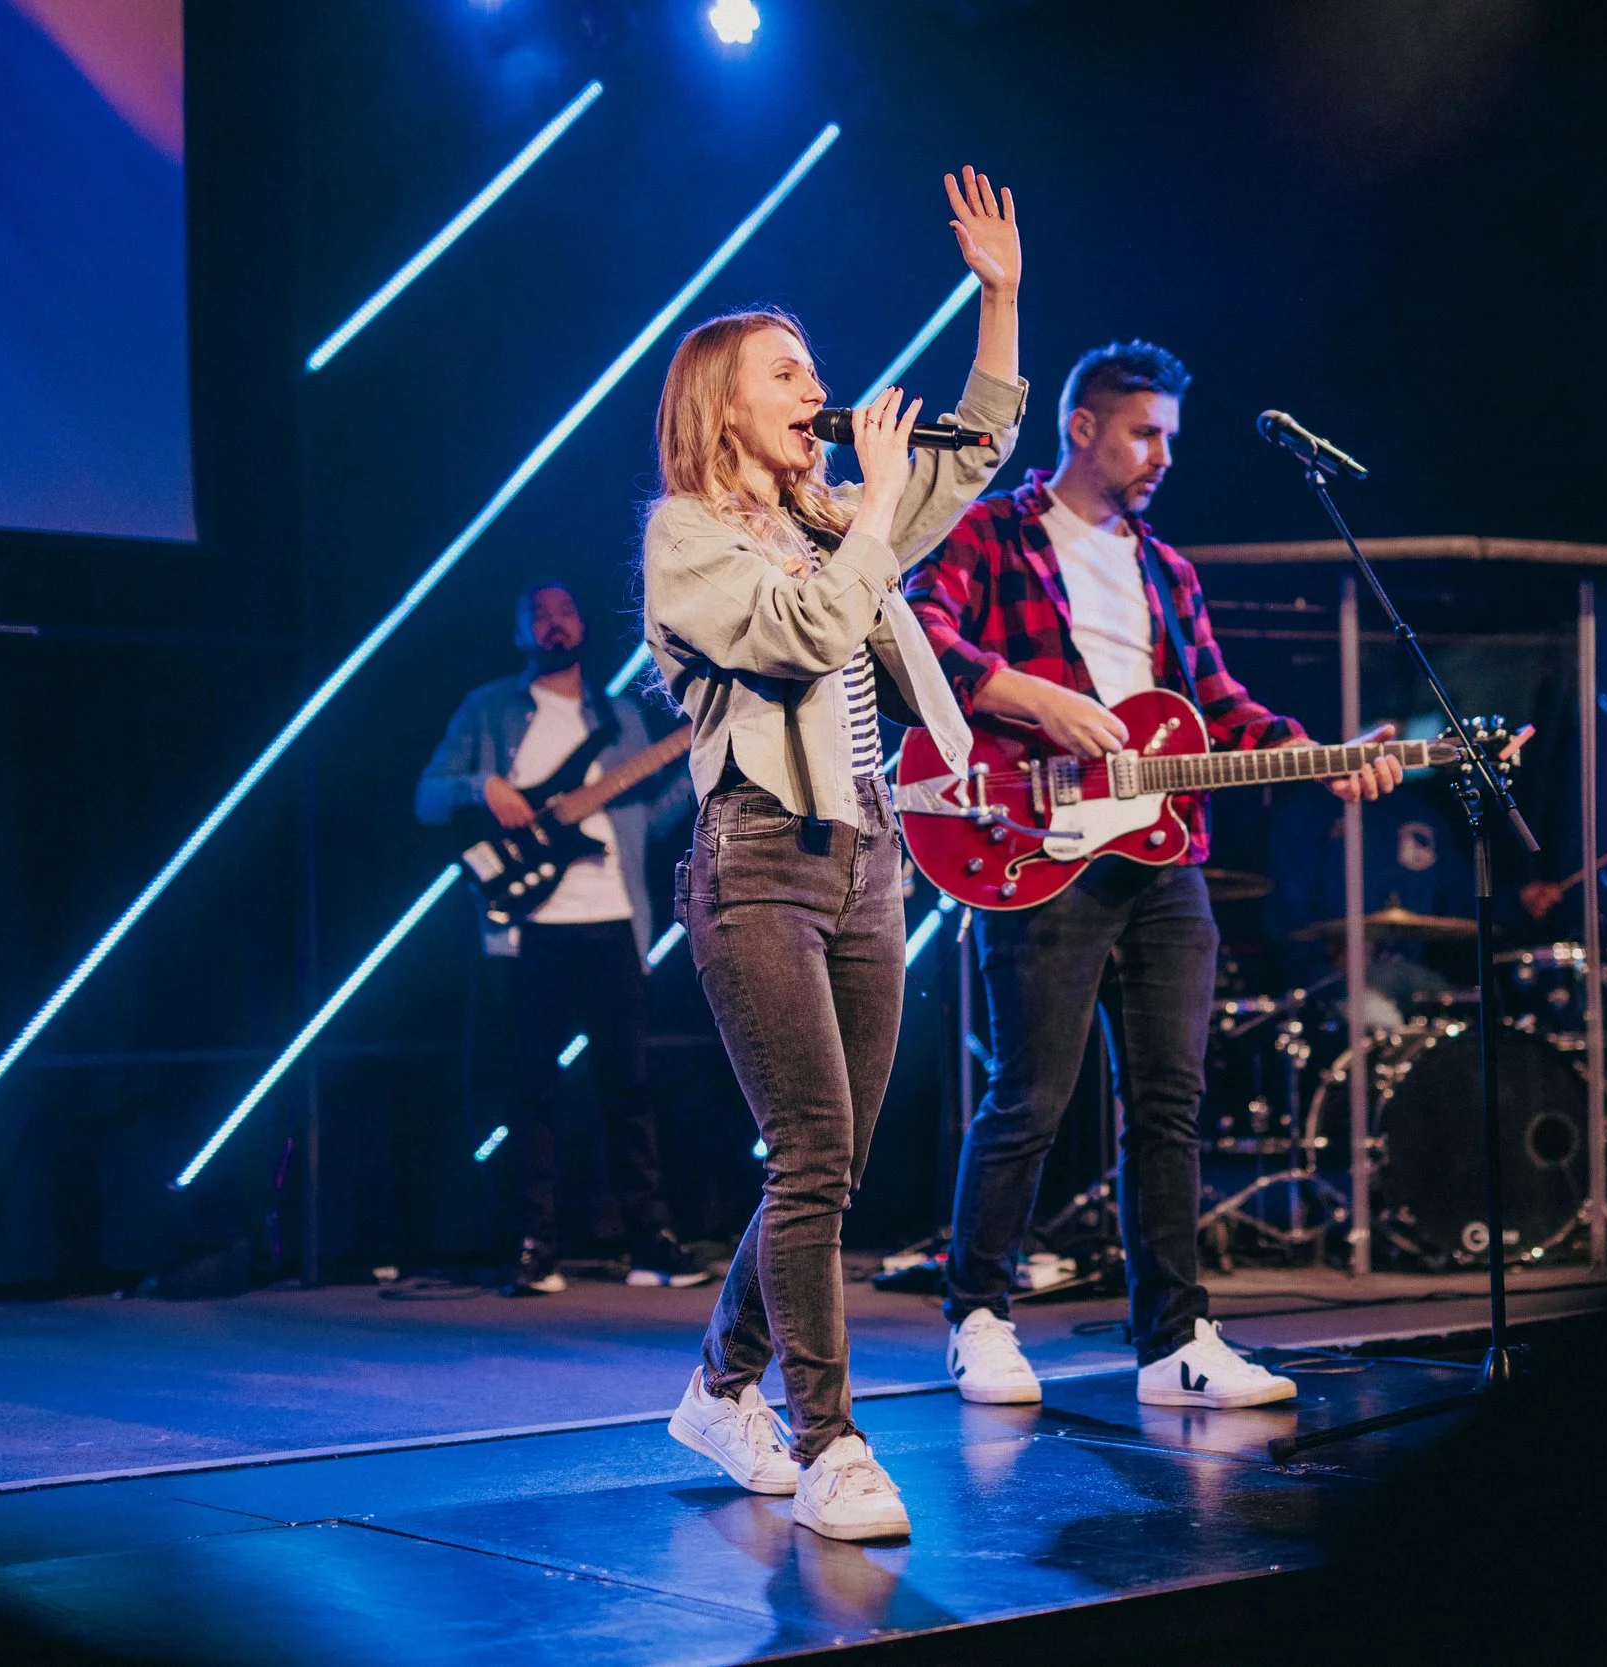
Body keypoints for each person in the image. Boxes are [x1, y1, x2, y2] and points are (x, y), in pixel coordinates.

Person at [906, 340, 1403, 1411]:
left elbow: (1219, 706)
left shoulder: (1165, 569)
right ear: (1081, 427)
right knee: (1030, 1095)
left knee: (1168, 1101)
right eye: (1144, 431)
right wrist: (1032, 698)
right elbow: (914, 634)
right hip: (1034, 840)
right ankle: (978, 1313)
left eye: (1170, 436)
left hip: (1163, 854)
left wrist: (1323, 752)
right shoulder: (992, 533)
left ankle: (1173, 1339)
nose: (1162, 455)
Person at [642, 168, 1025, 1541]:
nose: (819, 389)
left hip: (869, 854)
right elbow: (805, 634)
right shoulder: (685, 540)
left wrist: (1001, 295)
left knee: (833, 1161)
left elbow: (972, 451)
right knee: (810, 1149)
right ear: (723, 406)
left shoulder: (830, 517)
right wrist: (868, 516)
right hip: (753, 863)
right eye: (787, 374)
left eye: (813, 369)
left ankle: (718, 1383)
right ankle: (831, 1440)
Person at [416, 582, 700, 1295]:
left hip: (614, 921)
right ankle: (532, 1241)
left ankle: (650, 1238)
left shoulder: (625, 718)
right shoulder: (489, 709)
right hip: (528, 928)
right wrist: (485, 787)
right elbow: (427, 794)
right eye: (536, 612)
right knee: (531, 1087)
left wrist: (704, 768)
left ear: (582, 624)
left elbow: (654, 818)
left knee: (629, 1085)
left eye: (565, 610)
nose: (554, 621)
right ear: (520, 632)